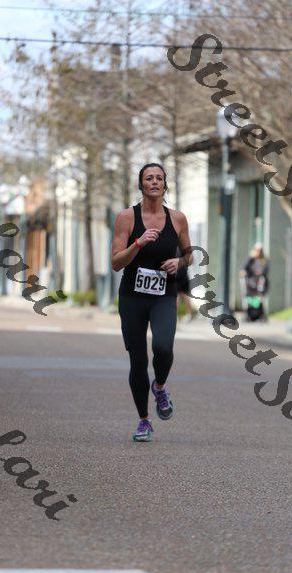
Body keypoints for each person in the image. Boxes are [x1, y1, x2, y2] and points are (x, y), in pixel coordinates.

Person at [112, 163, 192, 442]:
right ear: (141, 185)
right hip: (132, 297)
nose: (155, 182)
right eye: (149, 178)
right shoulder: (126, 217)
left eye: (159, 178)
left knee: (163, 347)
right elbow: (115, 263)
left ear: (165, 185)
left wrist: (179, 263)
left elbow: (189, 255)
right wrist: (138, 243)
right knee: (138, 360)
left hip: (163, 295)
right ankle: (144, 420)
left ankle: (159, 387)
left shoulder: (178, 219)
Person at [240, 243, 269, 322]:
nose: (259, 252)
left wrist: (261, 274)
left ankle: (260, 314)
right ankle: (249, 313)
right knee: (250, 297)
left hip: (260, 283)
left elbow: (265, 272)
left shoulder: (264, 261)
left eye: (260, 251)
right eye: (257, 250)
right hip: (250, 282)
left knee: (259, 296)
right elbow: (243, 268)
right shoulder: (250, 259)